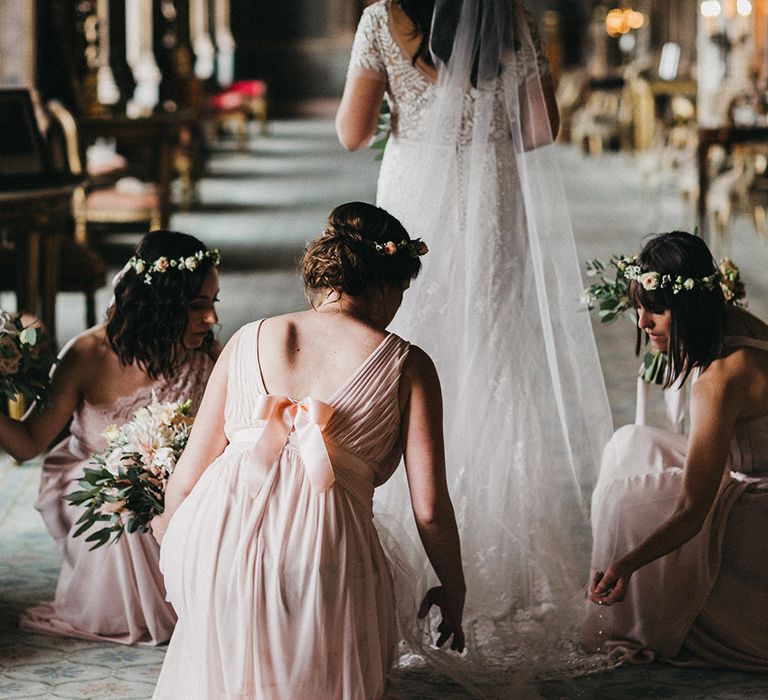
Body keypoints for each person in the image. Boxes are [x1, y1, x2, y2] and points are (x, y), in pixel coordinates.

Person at [336, 0, 612, 676]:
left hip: (413, 199)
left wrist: (408, 107)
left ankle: (404, 535)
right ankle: (494, 553)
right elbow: (541, 130)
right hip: (492, 203)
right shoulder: (508, 16)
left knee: (409, 343)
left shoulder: (381, 20)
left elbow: (350, 132)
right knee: (491, 357)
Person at [150, 202, 466, 699]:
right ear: (387, 283)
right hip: (324, 553)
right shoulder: (408, 364)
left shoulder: (246, 337)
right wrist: (455, 588)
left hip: (219, 540)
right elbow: (429, 509)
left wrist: (181, 551)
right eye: (402, 290)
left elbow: (189, 474)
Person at [0, 230, 220, 645]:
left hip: (177, 478)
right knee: (121, 496)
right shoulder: (86, 354)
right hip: (94, 480)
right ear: (160, 305)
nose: (211, 319)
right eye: (197, 305)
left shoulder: (204, 351)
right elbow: (28, 442)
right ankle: (139, 613)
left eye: (214, 302)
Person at [584, 231, 768, 670]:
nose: (642, 324)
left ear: (688, 307)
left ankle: (634, 607)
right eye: (639, 309)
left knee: (631, 505)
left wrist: (626, 564)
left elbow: (692, 509)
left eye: (655, 311)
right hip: (753, 466)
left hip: (759, 511)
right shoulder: (736, 320)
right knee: (630, 445)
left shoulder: (720, 381)